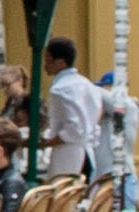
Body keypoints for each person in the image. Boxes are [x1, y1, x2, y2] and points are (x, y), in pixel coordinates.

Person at [37, 37, 112, 187]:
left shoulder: (61, 90)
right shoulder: (88, 86)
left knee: (64, 200)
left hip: (68, 155)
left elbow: (74, 129)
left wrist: (48, 141)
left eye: (48, 60)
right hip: (88, 153)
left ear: (60, 63)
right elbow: (94, 120)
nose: (45, 65)